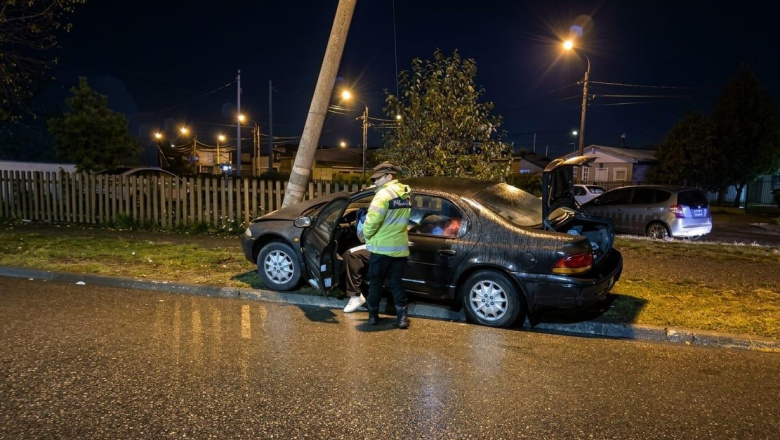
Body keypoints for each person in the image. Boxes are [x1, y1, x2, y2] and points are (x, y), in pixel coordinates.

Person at [362, 162, 412, 328]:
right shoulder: (406, 195)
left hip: (381, 248)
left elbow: (372, 221)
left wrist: (365, 235)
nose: (375, 181)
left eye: (378, 178)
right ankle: (402, 318)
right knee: (396, 282)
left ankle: (373, 316)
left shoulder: (383, 195)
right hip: (400, 248)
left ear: (389, 176)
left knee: (376, 282)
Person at [342, 209, 369, 313]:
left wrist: (361, 222)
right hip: (397, 244)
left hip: (382, 246)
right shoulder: (403, 203)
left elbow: (364, 236)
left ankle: (355, 295)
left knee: (350, 255)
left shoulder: (382, 203)